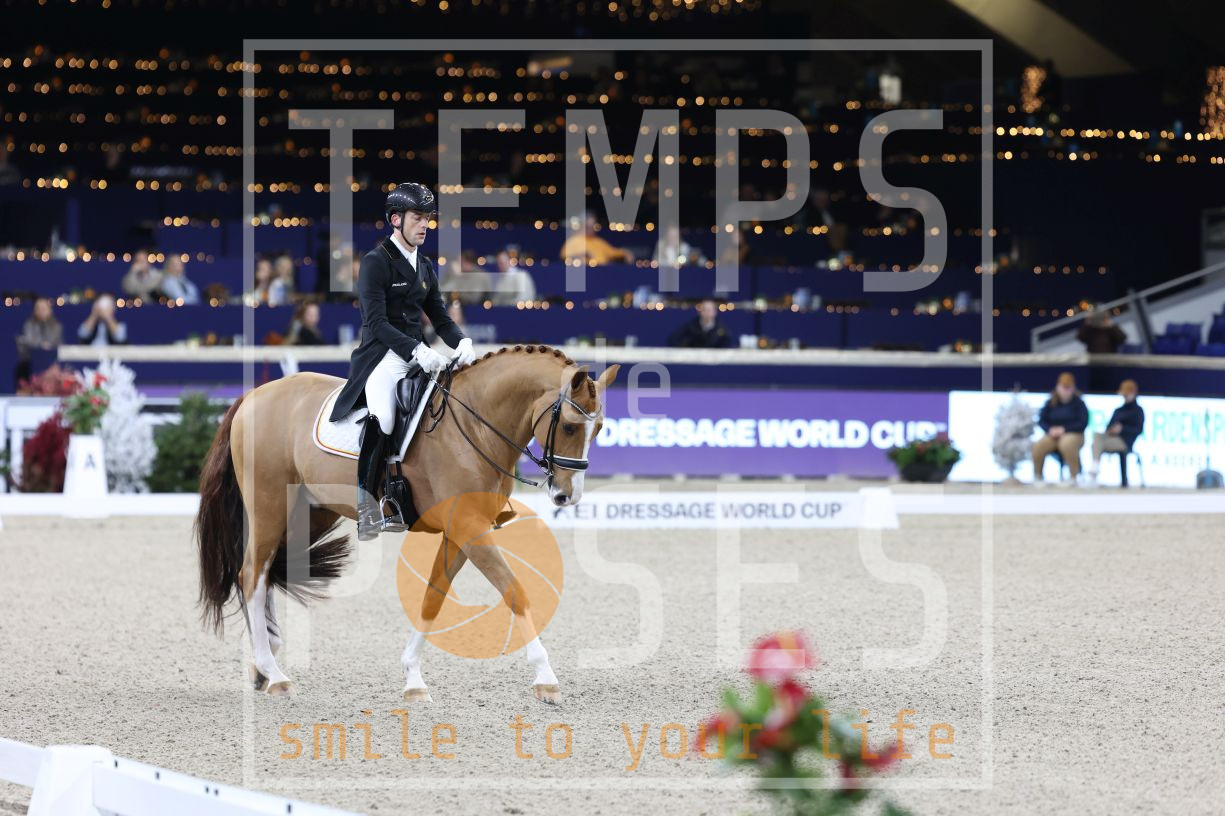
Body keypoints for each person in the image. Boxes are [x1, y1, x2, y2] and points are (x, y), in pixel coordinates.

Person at [328, 182, 476, 540]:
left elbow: (440, 318)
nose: (425, 225)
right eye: (417, 218)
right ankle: (367, 504)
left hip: (417, 355)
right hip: (382, 356)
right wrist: (416, 350)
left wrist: (462, 341)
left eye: (428, 218)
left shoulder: (424, 265)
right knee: (384, 416)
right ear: (396, 219)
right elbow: (376, 323)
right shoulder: (376, 261)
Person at [1031, 371, 1089, 486]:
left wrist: (1064, 429)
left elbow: (1083, 422)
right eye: (1063, 387)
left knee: (1067, 443)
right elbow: (1041, 420)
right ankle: (1038, 477)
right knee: (1038, 446)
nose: (1065, 390)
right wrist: (1050, 430)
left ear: (1073, 388)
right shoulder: (1050, 402)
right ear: (1058, 387)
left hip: (1074, 434)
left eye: (1068, 387)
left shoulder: (1079, 403)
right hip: (1053, 435)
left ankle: (1073, 477)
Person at [1087, 379, 1145, 486]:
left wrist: (1122, 429)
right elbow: (1108, 428)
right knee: (1096, 436)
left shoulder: (1138, 411)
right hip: (1111, 438)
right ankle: (1095, 465)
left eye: (1127, 394)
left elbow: (1138, 430)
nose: (1125, 397)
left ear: (1133, 393)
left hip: (1125, 441)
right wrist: (1112, 430)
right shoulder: (1119, 410)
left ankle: (1095, 467)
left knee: (1096, 444)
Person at [14, 296, 62, 383]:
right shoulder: (29, 324)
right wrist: (40, 345)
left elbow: (58, 343)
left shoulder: (56, 326)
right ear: (35, 311)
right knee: (22, 369)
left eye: (44, 308)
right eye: (39, 308)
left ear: (50, 310)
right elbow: (29, 341)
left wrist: (49, 346)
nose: (41, 311)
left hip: (51, 362)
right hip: (31, 361)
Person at [560, 212, 634, 266]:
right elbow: (566, 257)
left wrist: (625, 253)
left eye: (593, 226)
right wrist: (581, 256)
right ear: (582, 226)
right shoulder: (573, 241)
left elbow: (613, 252)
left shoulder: (598, 241)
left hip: (603, 272)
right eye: (588, 226)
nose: (591, 229)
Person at [668, 298, 733, 348]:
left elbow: (727, 346)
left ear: (715, 312)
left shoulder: (722, 330)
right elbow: (673, 340)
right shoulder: (690, 327)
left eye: (709, 310)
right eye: (704, 310)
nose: (707, 313)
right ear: (700, 312)